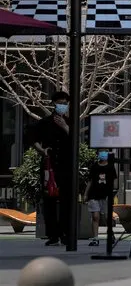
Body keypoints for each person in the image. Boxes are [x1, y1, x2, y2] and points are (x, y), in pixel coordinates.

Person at [32, 91, 71, 246]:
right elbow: (31, 136)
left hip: (66, 165)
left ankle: (66, 233)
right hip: (50, 165)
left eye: (65, 102)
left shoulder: (70, 121)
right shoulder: (45, 122)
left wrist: (66, 127)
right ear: (54, 103)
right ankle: (53, 235)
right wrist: (42, 151)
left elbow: (75, 141)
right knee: (49, 200)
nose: (63, 105)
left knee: (66, 200)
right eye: (60, 102)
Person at [83, 149, 118, 246]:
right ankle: (95, 238)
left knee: (107, 217)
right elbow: (90, 181)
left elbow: (114, 181)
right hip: (94, 194)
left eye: (104, 152)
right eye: (101, 152)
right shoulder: (94, 166)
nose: (102, 154)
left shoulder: (111, 167)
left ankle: (110, 234)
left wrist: (113, 193)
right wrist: (86, 194)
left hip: (106, 195)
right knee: (95, 216)